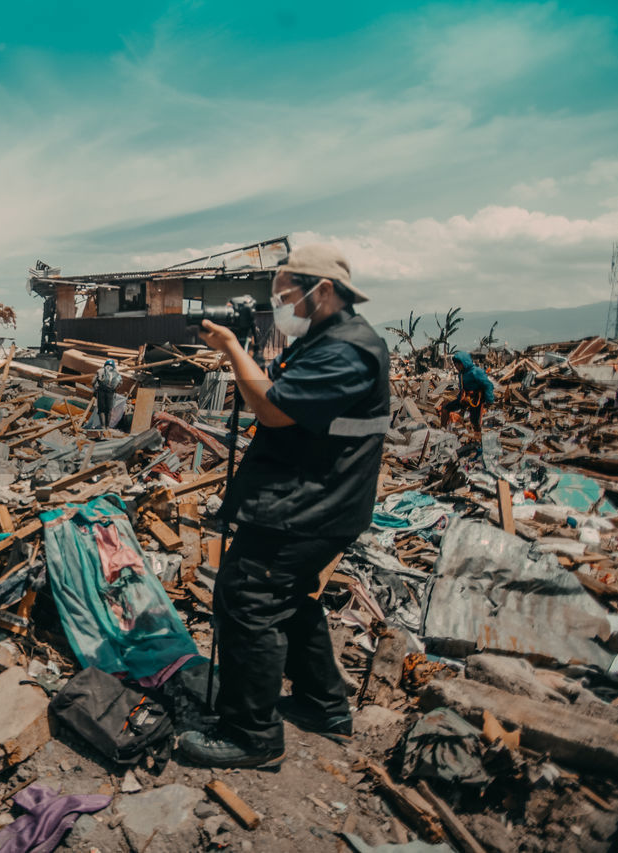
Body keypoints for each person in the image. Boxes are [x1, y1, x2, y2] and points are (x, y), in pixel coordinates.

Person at [189, 244, 390, 769]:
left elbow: (274, 409)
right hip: (310, 497)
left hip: (310, 505)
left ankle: (251, 735)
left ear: (321, 291)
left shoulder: (348, 349)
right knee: (288, 596)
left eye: (285, 295)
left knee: (248, 598)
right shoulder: (325, 341)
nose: (281, 304)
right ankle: (323, 704)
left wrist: (233, 347)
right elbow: (281, 389)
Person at [439, 351, 493, 435]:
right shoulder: (461, 374)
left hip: (476, 399)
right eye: (455, 364)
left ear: (464, 363)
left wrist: (489, 400)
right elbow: (462, 388)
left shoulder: (476, 371)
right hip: (465, 398)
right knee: (446, 409)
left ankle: (478, 438)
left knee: (475, 421)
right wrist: (460, 399)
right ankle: (442, 431)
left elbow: (488, 385)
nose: (456, 367)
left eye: (458, 364)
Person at [92, 359, 122, 429]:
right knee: (109, 410)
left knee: (101, 409)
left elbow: (93, 381)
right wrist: (114, 388)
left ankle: (102, 426)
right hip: (111, 392)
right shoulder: (117, 373)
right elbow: (120, 383)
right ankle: (107, 426)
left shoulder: (100, 370)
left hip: (101, 391)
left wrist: (95, 388)